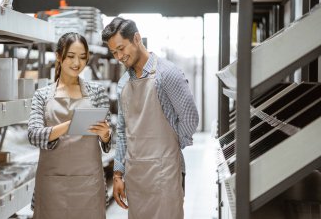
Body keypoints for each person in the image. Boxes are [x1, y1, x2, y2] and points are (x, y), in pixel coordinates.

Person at [102, 17, 199, 219]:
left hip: (165, 174)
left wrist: (172, 146)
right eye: (114, 52)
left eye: (121, 48)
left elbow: (190, 118)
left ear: (137, 38)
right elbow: (122, 132)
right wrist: (118, 173)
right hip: (136, 177)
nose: (119, 56)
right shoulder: (123, 83)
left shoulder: (167, 74)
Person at [28, 32, 112, 219]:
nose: (77, 63)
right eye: (71, 57)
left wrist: (106, 134)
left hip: (88, 185)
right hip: (52, 186)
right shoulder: (42, 95)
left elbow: (109, 138)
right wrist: (71, 125)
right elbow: (34, 135)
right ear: (59, 56)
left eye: (82, 57)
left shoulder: (96, 92)